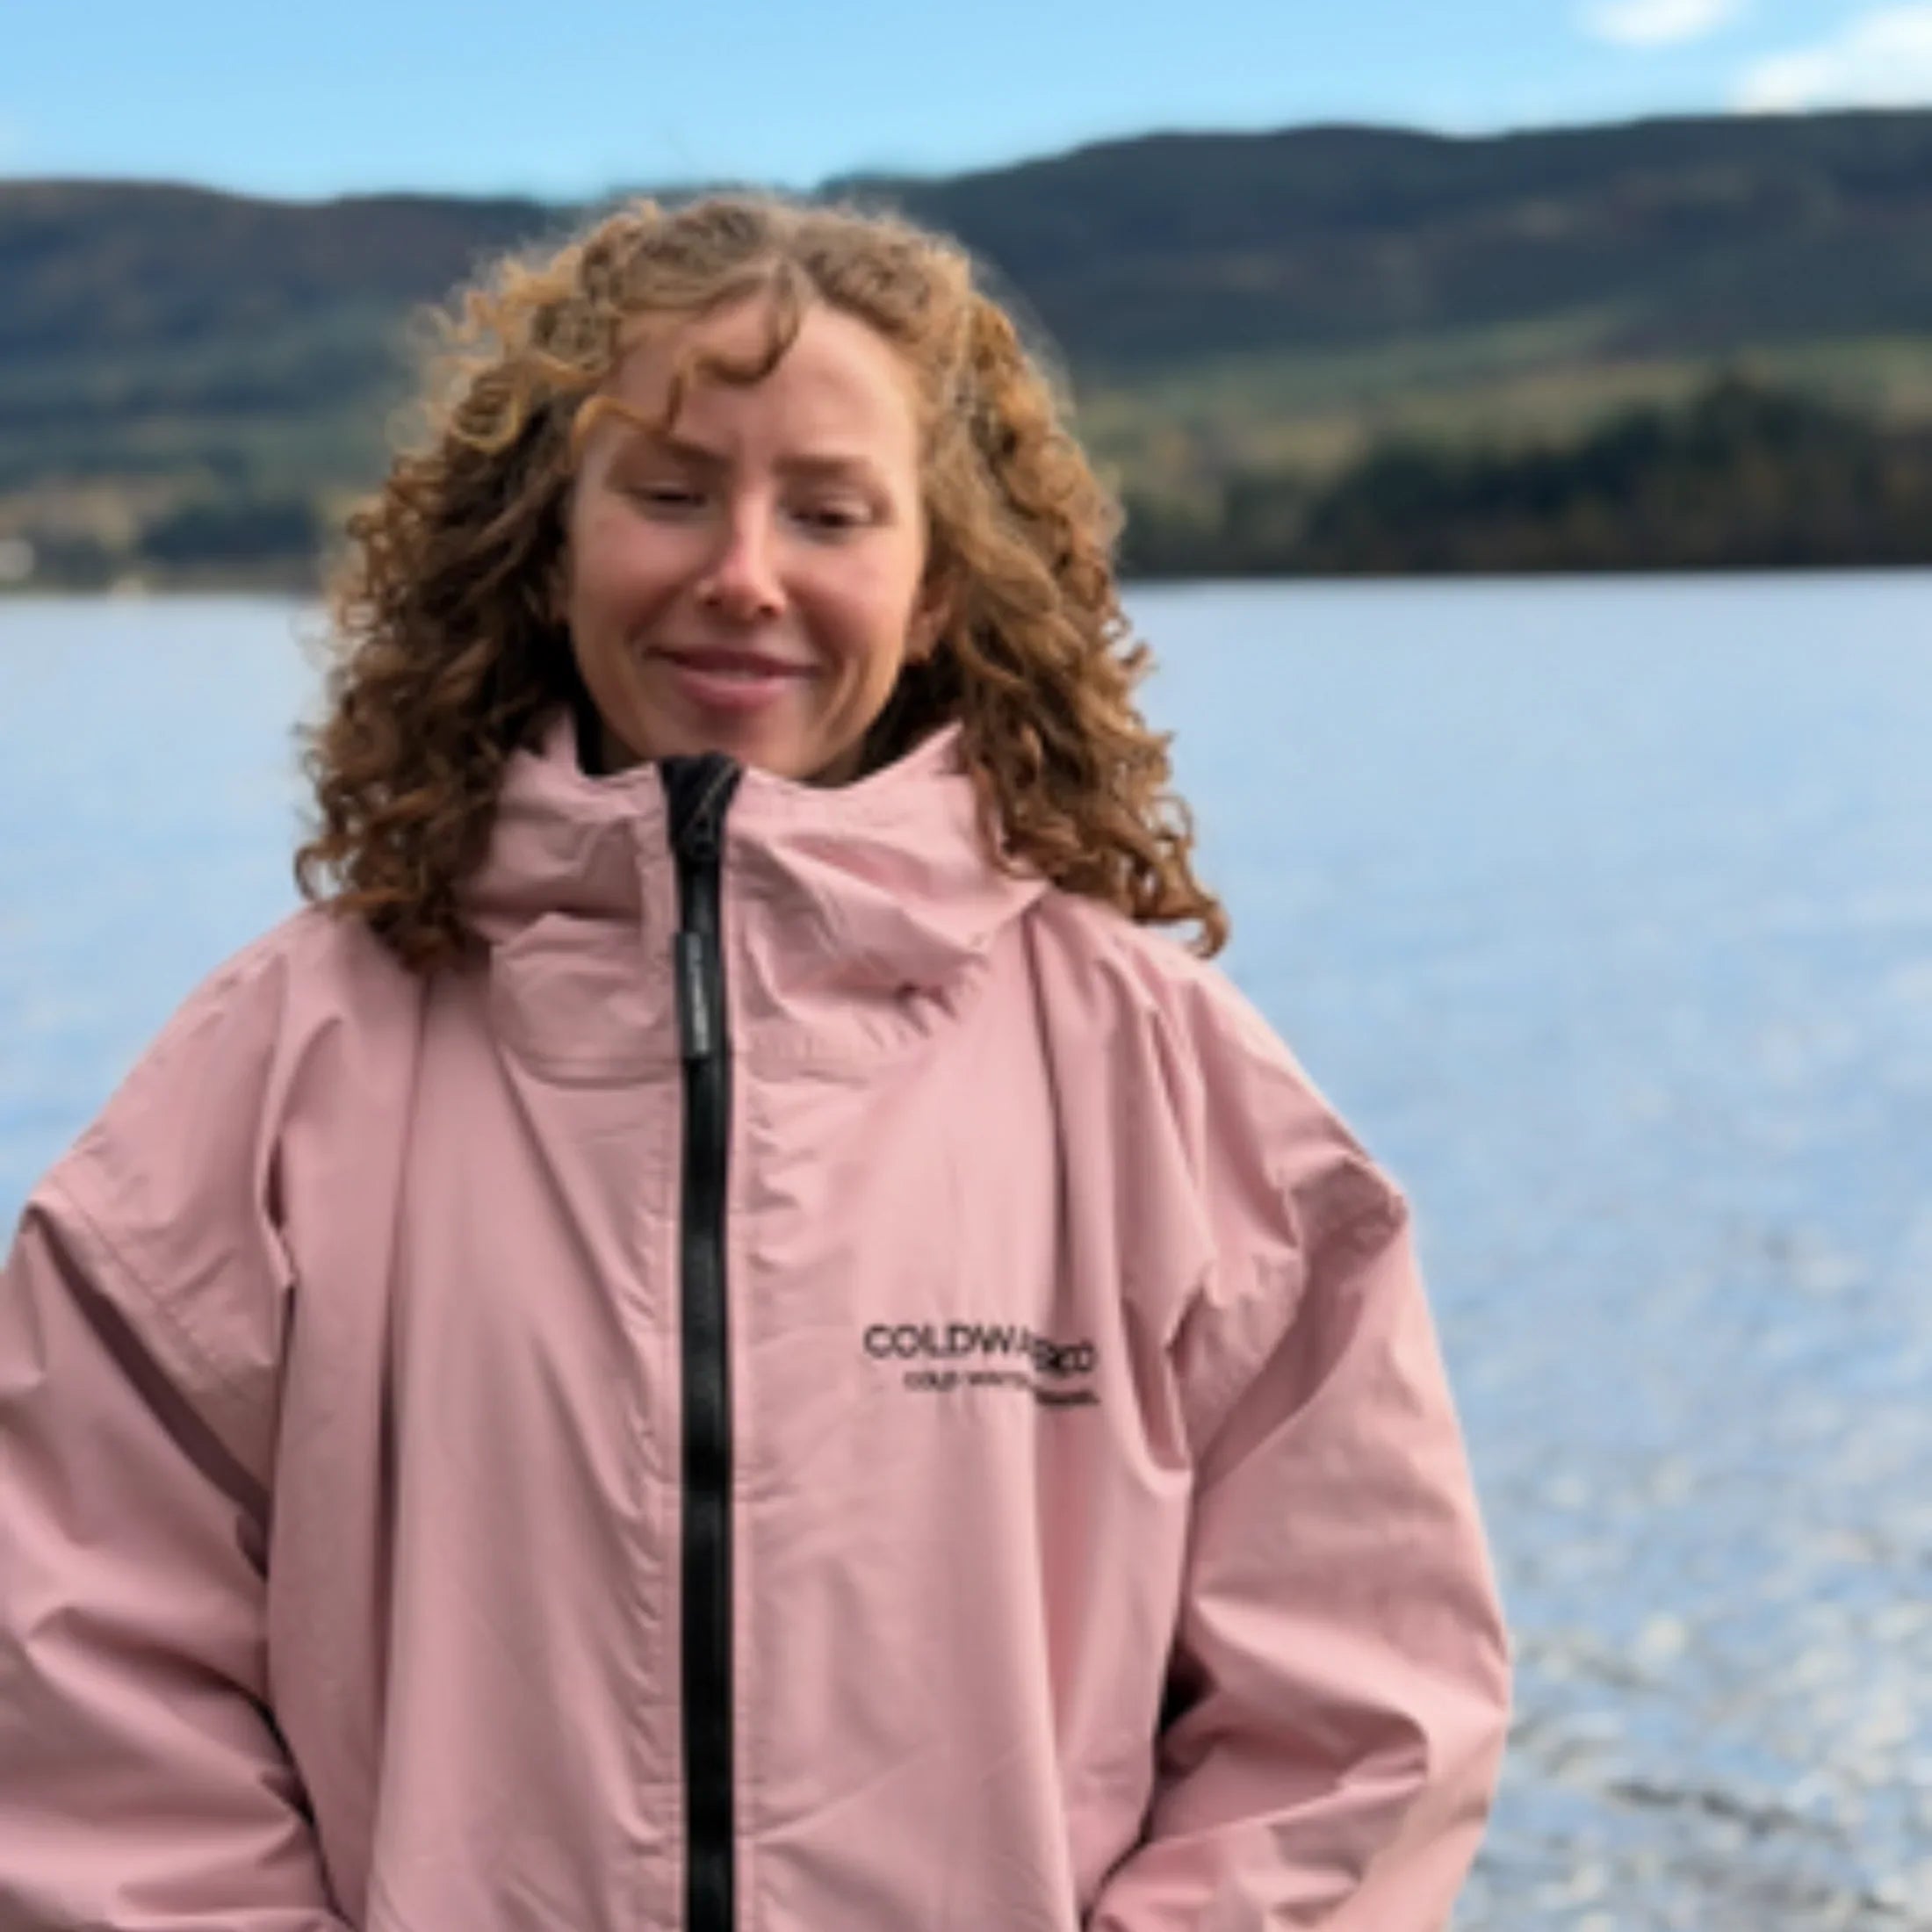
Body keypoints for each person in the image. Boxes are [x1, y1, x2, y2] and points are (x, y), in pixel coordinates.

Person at [0, 192, 1510, 1929]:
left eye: (827, 509)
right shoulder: (280, 1069)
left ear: (934, 581)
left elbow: (1358, 1718)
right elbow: (72, 1678)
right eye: (666, 491)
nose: (741, 571)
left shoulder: (1161, 1084)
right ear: (543, 547)